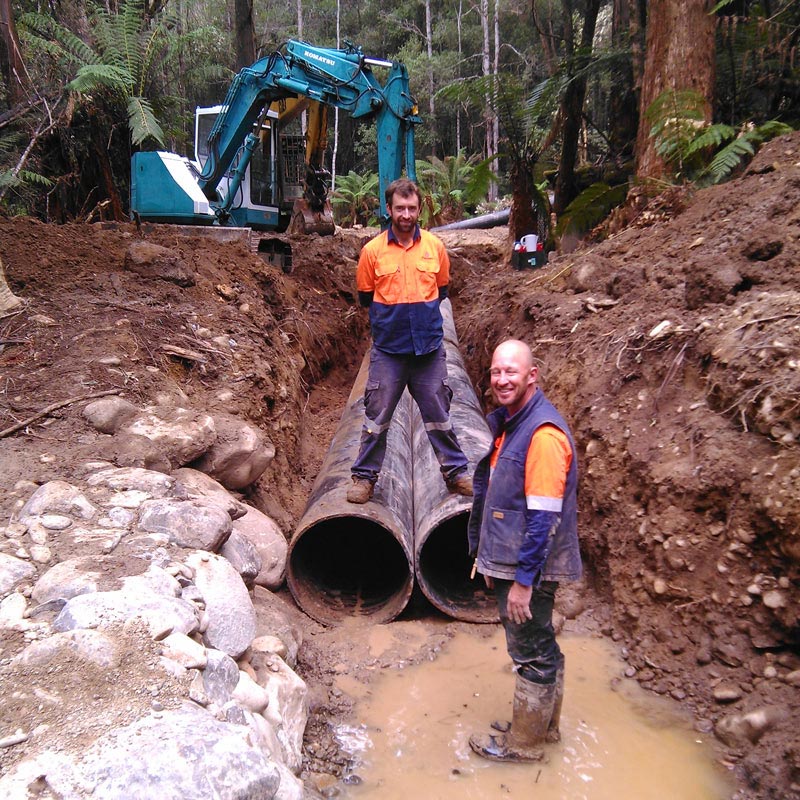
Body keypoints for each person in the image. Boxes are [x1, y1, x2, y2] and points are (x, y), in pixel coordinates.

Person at [467, 339, 581, 762]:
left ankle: (525, 745)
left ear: (532, 375)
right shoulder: (515, 423)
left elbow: (543, 519)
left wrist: (523, 582)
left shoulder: (543, 435)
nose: (501, 379)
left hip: (529, 565)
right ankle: (543, 727)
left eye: (511, 372)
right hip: (516, 559)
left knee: (529, 651)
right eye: (496, 372)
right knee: (541, 644)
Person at [346, 178, 473, 504]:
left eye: (411, 208)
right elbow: (365, 298)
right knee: (376, 417)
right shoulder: (372, 252)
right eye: (400, 208)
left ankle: (456, 474)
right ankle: (364, 478)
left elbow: (442, 291)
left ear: (419, 210)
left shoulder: (435, 247)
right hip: (389, 351)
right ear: (388, 209)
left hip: (429, 350)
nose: (406, 214)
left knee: (439, 413)